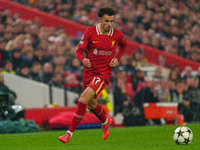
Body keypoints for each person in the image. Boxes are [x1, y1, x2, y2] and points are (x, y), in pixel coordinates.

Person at [59, 5, 127, 143]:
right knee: (91, 104)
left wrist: (117, 58)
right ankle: (105, 120)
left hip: (103, 74)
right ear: (100, 19)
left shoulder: (117, 34)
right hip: (88, 73)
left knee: (83, 99)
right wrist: (83, 59)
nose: (109, 24)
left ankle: (69, 133)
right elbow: (78, 51)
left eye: (112, 21)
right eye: (107, 21)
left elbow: (124, 45)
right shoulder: (90, 32)